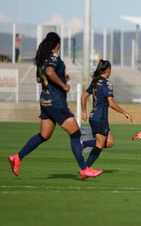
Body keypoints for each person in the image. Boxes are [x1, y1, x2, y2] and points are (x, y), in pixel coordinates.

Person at [8, 32, 102, 179]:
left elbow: (40, 78)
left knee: (44, 135)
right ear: (57, 44)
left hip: (45, 101)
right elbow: (50, 71)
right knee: (75, 133)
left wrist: (63, 77)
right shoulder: (53, 58)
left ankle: (17, 157)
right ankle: (84, 169)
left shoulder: (42, 59)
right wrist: (63, 85)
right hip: (56, 102)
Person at [81, 59, 133, 169]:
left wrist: (84, 112)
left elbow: (83, 97)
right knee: (99, 145)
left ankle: (84, 144)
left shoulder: (95, 81)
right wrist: (125, 112)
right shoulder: (106, 83)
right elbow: (112, 104)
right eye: (110, 69)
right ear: (107, 70)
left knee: (109, 142)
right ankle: (85, 168)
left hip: (94, 117)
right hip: (100, 118)